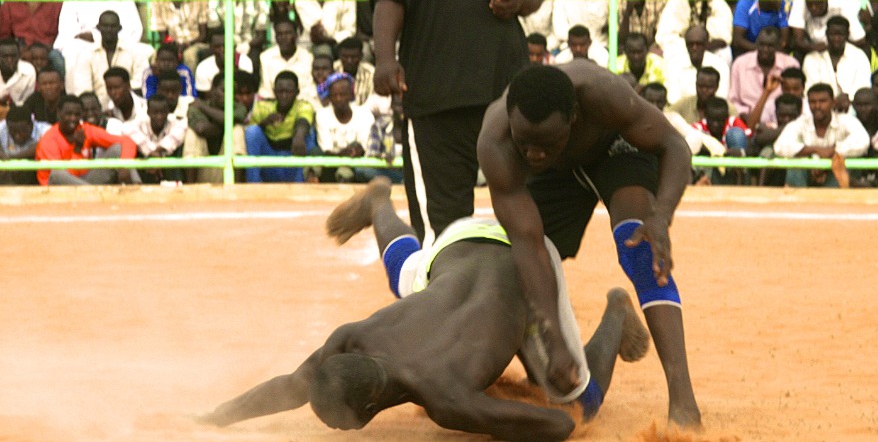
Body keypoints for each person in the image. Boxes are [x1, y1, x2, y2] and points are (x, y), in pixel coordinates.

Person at [203, 178, 649, 438]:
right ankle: (379, 202)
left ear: (371, 407)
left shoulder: (446, 399)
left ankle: (615, 311)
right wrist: (214, 417)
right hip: (459, 239)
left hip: (530, 268)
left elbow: (557, 426)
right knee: (406, 279)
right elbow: (293, 385)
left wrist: (495, 415)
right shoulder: (352, 336)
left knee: (577, 402)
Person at [478, 63, 702, 427]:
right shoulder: (496, 141)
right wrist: (556, 341)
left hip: (616, 149)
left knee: (640, 250)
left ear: (575, 117)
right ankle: (614, 315)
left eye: (545, 143)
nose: (533, 154)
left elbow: (674, 145)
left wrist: (660, 215)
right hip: (557, 177)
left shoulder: (603, 95)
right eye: (526, 145)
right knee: (515, 268)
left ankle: (684, 402)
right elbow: (528, 244)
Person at [372, 0, 545, 242]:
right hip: (436, 99)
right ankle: (435, 298)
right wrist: (385, 59)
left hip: (504, 101)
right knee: (443, 224)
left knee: (522, 204)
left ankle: (519, 292)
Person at [774, 82, 870, 186]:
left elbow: (863, 141)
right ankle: (799, 200)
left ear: (833, 102)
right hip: (808, 175)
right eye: (813, 102)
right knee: (794, 164)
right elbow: (780, 146)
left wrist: (833, 152)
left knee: (844, 162)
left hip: (835, 174)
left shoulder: (846, 120)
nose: (817, 106)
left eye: (822, 101)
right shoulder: (801, 123)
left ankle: (833, 201)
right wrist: (815, 151)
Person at [35, 93, 138, 185]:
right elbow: (67, 176)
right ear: (59, 113)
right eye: (68, 114)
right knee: (57, 173)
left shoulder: (85, 129)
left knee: (118, 149)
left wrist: (124, 165)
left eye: (77, 114)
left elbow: (127, 141)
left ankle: (139, 190)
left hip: (85, 181)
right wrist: (77, 150)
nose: (73, 119)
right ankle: (95, 196)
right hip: (56, 188)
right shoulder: (49, 140)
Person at [244, 69, 314, 183]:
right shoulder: (263, 107)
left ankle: (300, 186)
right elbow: (252, 137)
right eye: (280, 91)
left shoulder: (303, 106)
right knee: (252, 131)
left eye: (289, 92)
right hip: (269, 162)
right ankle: (253, 184)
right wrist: (265, 123)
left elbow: (304, 120)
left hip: (293, 163)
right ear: (274, 91)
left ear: (297, 92)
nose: (284, 96)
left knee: (309, 134)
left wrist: (299, 135)